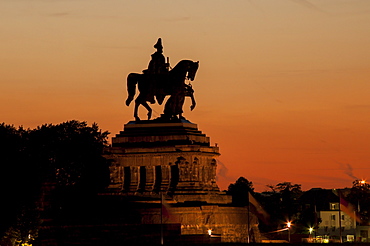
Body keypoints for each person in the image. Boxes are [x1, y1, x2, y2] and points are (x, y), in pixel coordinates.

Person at [143, 38, 169, 104]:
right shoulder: (156, 56)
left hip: (161, 71)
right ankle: (151, 95)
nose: (161, 50)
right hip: (156, 72)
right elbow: (156, 65)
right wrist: (164, 65)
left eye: (161, 48)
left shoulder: (161, 56)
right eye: (160, 48)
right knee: (155, 82)